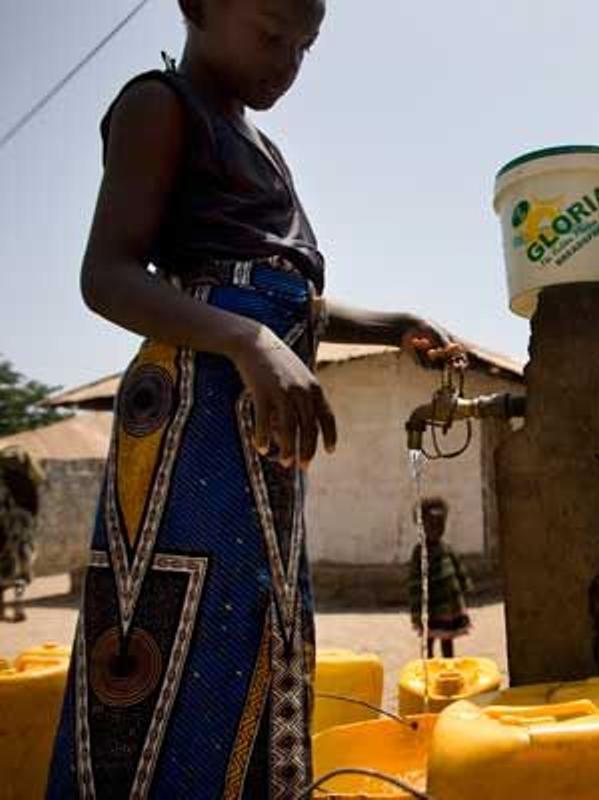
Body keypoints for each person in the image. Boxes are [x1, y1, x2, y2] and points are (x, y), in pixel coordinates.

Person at [47, 1, 460, 795]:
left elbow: (284, 298)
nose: (287, 63)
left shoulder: (262, 148)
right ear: (197, 6)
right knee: (170, 640)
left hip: (252, 427)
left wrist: (391, 324)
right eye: (272, 35)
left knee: (251, 630)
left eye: (304, 47)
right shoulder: (158, 106)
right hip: (191, 424)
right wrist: (247, 341)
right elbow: (107, 275)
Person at [409, 498, 473, 658]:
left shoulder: (446, 548)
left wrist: (465, 585)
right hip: (431, 606)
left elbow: (458, 568)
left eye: (440, 526)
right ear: (422, 527)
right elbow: (415, 582)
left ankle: (449, 664)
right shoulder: (420, 552)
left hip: (449, 606)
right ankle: (429, 663)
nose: (437, 530)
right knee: (429, 637)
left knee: (447, 637)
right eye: (432, 526)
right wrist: (417, 609)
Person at [0, 446, 41, 623]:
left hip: (12, 530)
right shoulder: (29, 480)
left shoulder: (9, 479)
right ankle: (17, 607)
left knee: (15, 573)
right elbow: (34, 509)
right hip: (17, 531)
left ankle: (12, 609)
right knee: (19, 573)